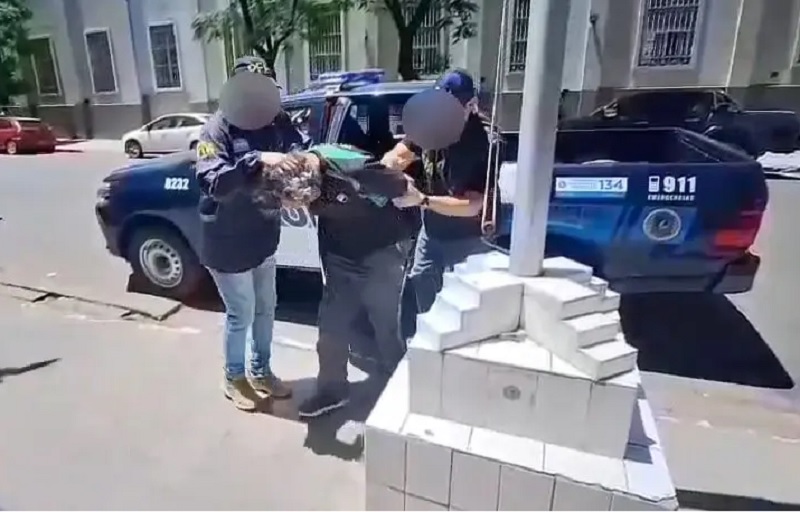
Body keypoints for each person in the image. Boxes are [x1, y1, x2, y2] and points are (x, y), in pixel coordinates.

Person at [257, 145, 416, 418]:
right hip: (340, 255)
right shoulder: (294, 169)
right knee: (332, 328)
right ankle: (333, 391)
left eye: (300, 203)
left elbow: (406, 187)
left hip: (382, 252)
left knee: (385, 323)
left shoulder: (354, 169)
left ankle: (403, 383)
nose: (298, 209)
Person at [196, 56, 306, 411]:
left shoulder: (276, 119)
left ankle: (261, 370)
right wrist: (256, 159)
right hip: (227, 241)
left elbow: (297, 147)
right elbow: (214, 182)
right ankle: (234, 376)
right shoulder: (217, 129)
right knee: (241, 313)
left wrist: (294, 175)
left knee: (266, 309)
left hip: (264, 235)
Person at [383, 69, 492, 316]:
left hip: (467, 239)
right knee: (421, 283)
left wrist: (422, 199)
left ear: (470, 105)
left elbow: (473, 205)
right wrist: (392, 171)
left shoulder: (482, 142)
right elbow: (398, 155)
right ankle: (427, 333)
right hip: (432, 232)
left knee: (463, 309)